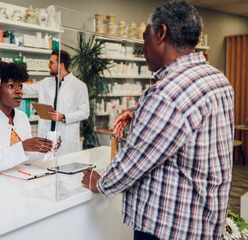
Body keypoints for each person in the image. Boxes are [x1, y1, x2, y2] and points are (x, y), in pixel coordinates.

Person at [81, 1, 234, 240]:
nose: (143, 48)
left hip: (169, 228)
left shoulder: (166, 94)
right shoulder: (217, 79)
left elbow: (133, 163)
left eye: (145, 39)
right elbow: (188, 122)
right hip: (204, 221)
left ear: (161, 33)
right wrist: (141, 110)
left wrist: (98, 182)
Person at [0, 62, 59, 175]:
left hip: (13, 180)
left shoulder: (22, 117)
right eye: (11, 86)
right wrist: (23, 146)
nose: (19, 91)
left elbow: (26, 158)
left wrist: (45, 146)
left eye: (20, 86)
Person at [23, 50, 89, 155]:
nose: (48, 65)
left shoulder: (79, 86)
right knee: (44, 166)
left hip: (66, 138)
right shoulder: (45, 83)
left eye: (51, 62)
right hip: (47, 135)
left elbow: (85, 112)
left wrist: (64, 117)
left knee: (65, 166)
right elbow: (27, 89)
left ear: (61, 65)